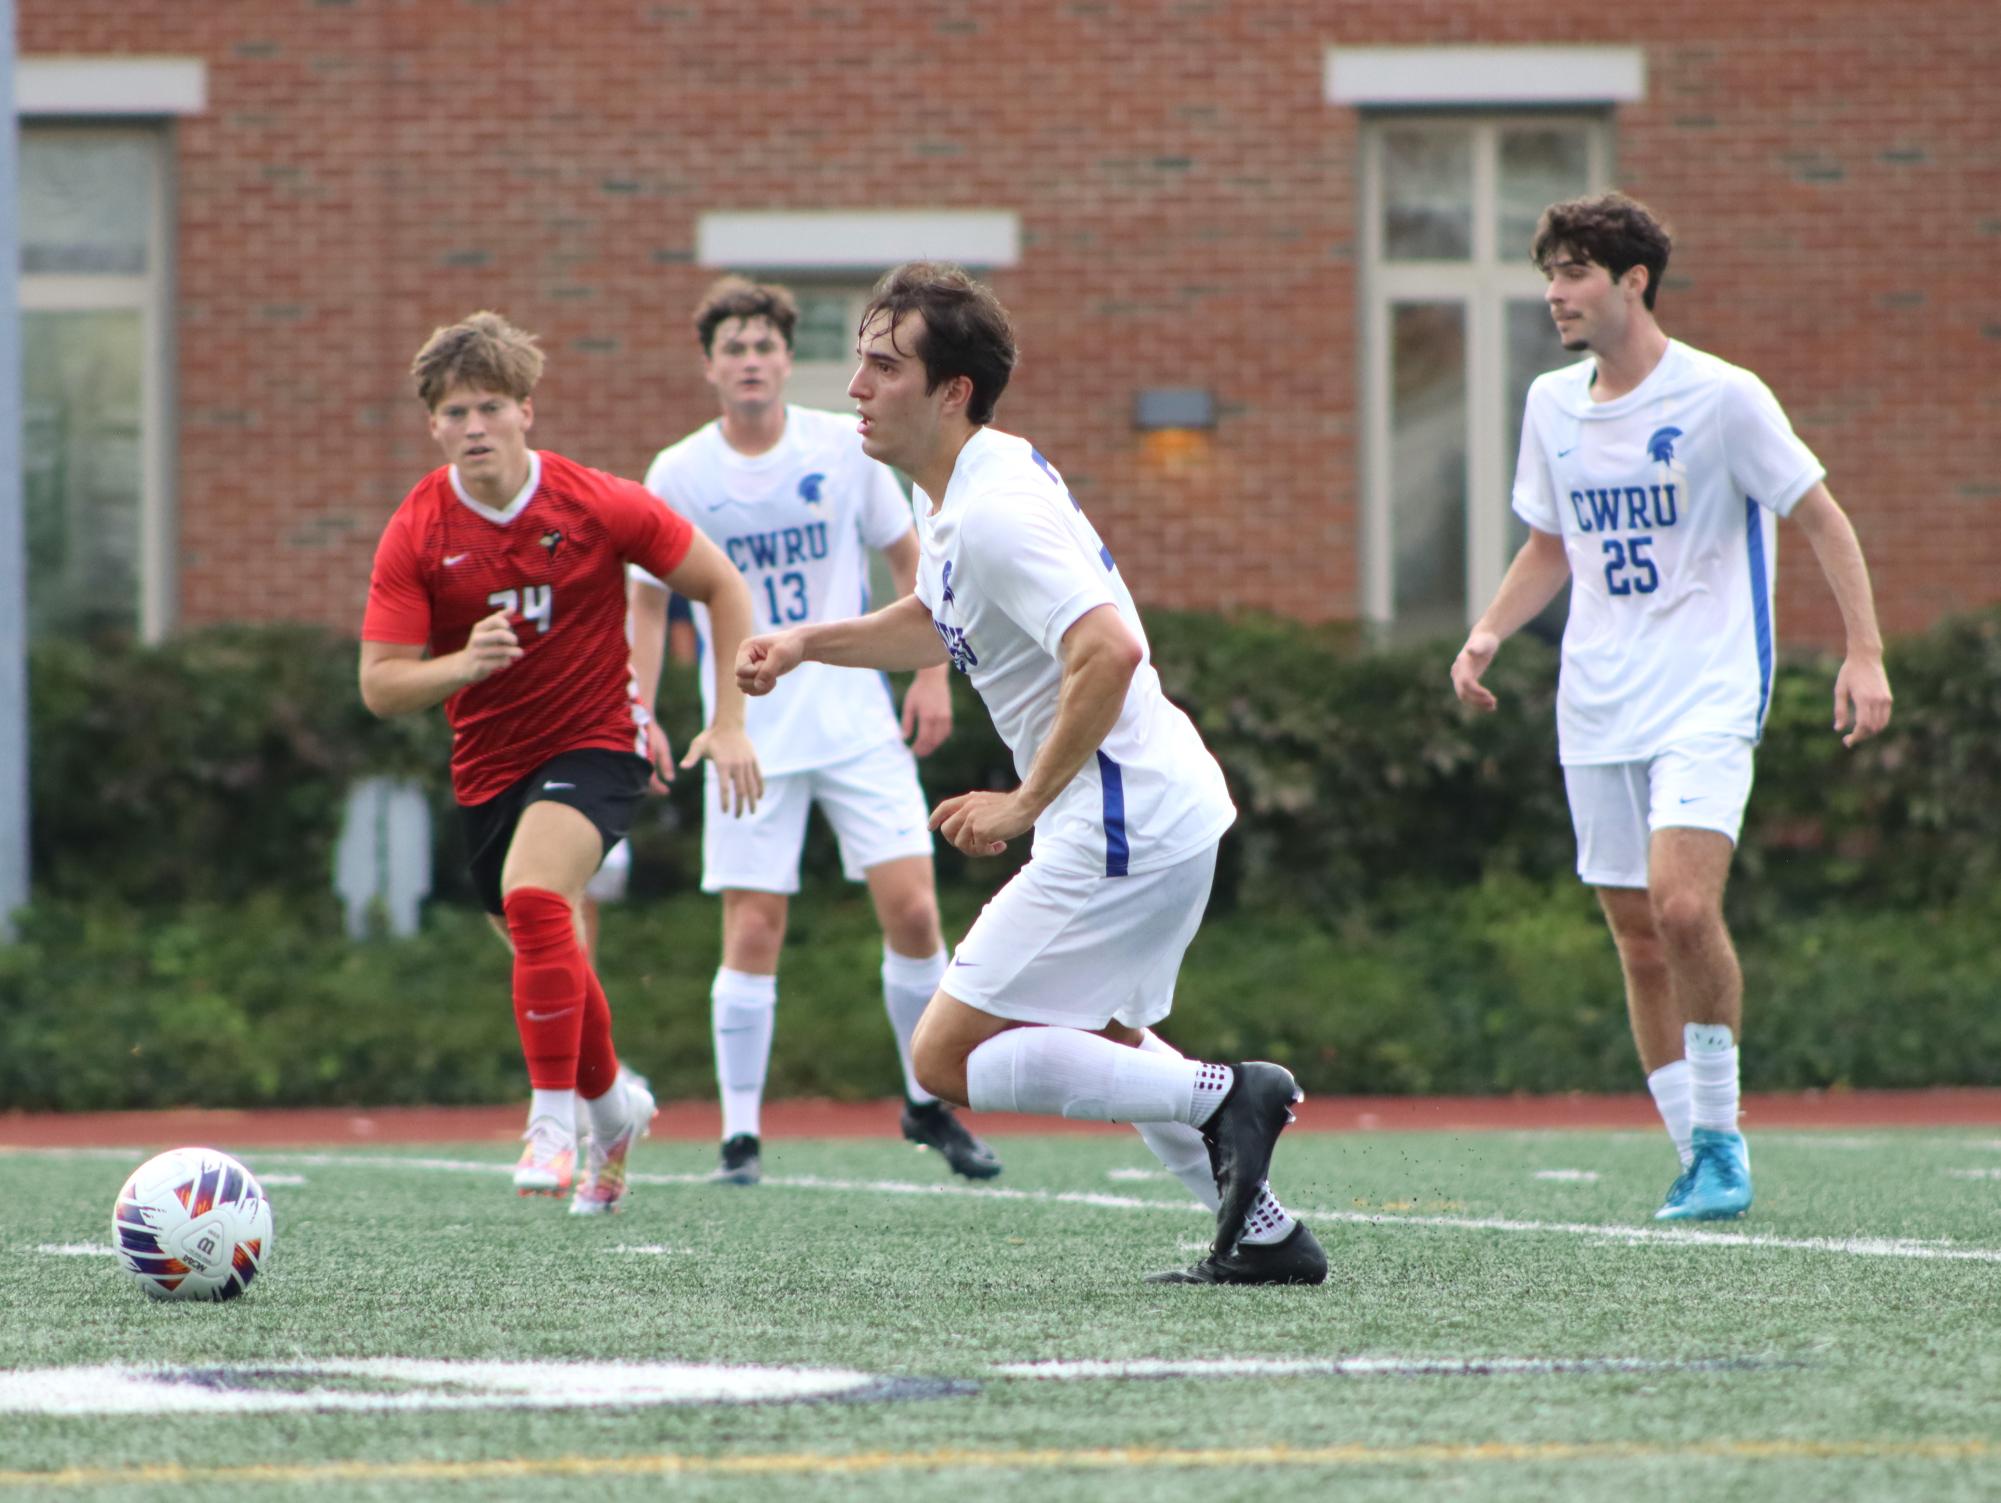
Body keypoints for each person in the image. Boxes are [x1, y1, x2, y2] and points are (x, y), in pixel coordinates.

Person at [737, 262, 1322, 1284]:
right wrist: (803, 643)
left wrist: (1025, 799)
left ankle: (1230, 1094)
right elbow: (935, 620)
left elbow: (1110, 650)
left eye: (883, 365)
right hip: (1158, 810)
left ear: (952, 391)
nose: (856, 388)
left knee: (944, 1055)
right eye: (860, 363)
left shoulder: (997, 507)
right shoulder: (974, 486)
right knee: (1106, 1038)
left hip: (1122, 819)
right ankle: (1265, 1233)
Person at [1450, 194, 1893, 1222]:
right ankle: (1693, 1152)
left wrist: (1864, 652)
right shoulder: (1550, 407)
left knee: (1686, 906)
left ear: (1632, 281)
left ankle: (1725, 1144)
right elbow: (1551, 544)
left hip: (1708, 688)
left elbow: (1820, 516)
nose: (1554, 294)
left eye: (1572, 274)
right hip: (1596, 699)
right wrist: (1486, 633)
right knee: (1638, 935)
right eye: (1549, 275)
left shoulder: (1724, 397)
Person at [359, 310, 763, 1214]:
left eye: (490, 407)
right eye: (454, 412)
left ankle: (550, 1121)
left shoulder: (593, 501)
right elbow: (381, 686)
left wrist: (727, 720)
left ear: (526, 411)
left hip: (596, 743)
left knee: (540, 899)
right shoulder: (418, 531)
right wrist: (462, 665)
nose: (473, 427)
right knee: (555, 954)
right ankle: (614, 1111)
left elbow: (722, 585)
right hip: (489, 769)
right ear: (432, 425)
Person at [630, 276, 999, 1186]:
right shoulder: (679, 472)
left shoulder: (842, 447)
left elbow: (911, 561)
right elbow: (644, 600)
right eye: (733, 348)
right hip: (745, 730)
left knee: (914, 910)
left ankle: (927, 1102)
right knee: (753, 927)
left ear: (787, 361)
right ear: (710, 366)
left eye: (764, 346)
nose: (750, 361)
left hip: (853, 718)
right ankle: (741, 1137)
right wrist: (637, 711)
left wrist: (930, 674)